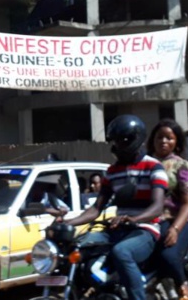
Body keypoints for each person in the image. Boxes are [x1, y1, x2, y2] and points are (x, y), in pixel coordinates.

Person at [60, 114, 168, 300]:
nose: (117, 145)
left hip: (145, 230)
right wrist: (67, 222)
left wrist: (133, 219)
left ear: (136, 139)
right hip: (117, 229)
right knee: (77, 246)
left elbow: (157, 206)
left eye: (122, 141)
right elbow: (96, 209)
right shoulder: (112, 172)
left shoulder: (154, 167)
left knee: (122, 252)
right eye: (115, 141)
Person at [147, 119, 188, 300]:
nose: (164, 141)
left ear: (176, 141)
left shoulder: (182, 167)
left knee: (168, 256)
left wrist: (175, 228)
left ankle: (182, 286)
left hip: (175, 220)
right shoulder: (143, 164)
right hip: (147, 221)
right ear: (152, 140)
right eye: (159, 137)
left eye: (169, 138)